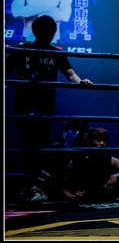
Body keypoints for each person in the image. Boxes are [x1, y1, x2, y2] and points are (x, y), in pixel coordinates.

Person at [4, 14, 93, 203]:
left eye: (50, 32)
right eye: (45, 32)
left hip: (46, 106)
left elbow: (71, 74)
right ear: (36, 32)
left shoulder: (56, 53)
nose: (48, 36)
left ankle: (31, 186)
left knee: (39, 146)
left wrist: (81, 82)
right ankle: (30, 186)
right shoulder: (21, 50)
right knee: (27, 146)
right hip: (23, 105)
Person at [62, 127, 119, 203]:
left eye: (104, 141)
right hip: (84, 201)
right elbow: (63, 188)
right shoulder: (76, 162)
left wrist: (116, 176)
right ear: (89, 142)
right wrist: (73, 196)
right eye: (98, 140)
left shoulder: (110, 160)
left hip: (104, 200)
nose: (102, 143)